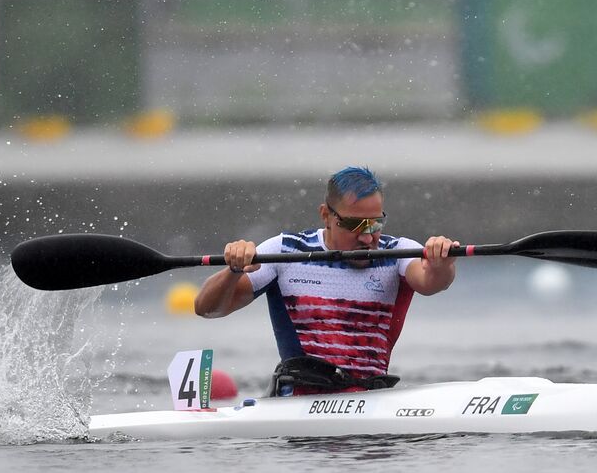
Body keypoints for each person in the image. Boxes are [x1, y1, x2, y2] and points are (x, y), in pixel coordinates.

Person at [194, 165, 458, 394]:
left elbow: (432, 282)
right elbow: (207, 309)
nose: (367, 238)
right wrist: (234, 270)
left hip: (370, 397)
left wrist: (442, 262)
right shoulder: (285, 251)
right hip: (299, 405)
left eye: (374, 225)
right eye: (354, 225)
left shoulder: (397, 251)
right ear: (326, 215)